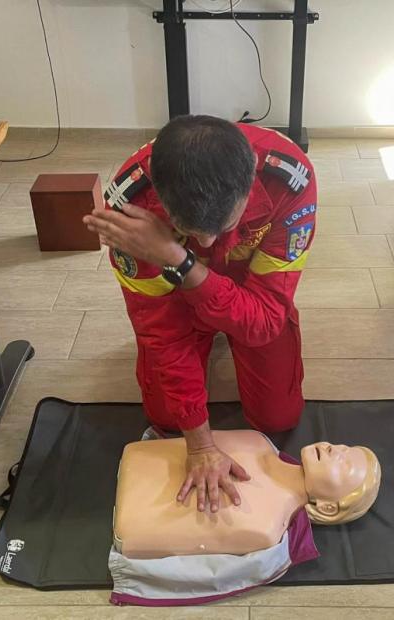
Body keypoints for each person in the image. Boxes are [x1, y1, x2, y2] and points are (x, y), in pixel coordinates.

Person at [83, 115, 317, 514]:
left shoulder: (290, 180)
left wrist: (179, 258)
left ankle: (214, 319)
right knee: (165, 419)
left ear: (250, 178)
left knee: (279, 417)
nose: (207, 242)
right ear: (160, 194)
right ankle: (208, 326)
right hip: (176, 299)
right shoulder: (130, 210)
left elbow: (263, 321)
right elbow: (162, 334)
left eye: (224, 225)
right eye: (187, 229)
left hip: (249, 290)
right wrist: (200, 445)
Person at [108, 430, 381, 606]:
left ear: (328, 508)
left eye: (345, 465)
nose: (336, 449)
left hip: (133, 519)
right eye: (344, 446)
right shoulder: (257, 441)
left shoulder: (266, 528)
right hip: (141, 464)